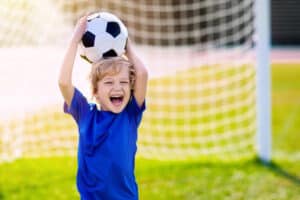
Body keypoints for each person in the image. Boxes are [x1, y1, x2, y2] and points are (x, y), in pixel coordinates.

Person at [58, 15, 148, 200]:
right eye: (109, 82)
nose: (117, 87)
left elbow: (142, 74)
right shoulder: (85, 114)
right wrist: (75, 40)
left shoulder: (130, 115)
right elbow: (63, 82)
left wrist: (127, 46)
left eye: (123, 82)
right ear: (96, 91)